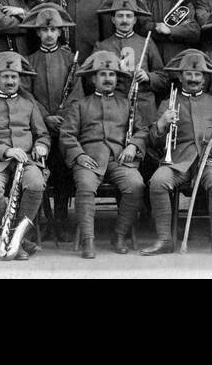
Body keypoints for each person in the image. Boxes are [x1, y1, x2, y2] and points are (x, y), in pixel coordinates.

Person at [143, 49, 212, 256]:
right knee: (158, 182)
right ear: (180, 76)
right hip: (178, 160)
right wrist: (160, 124)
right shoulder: (167, 103)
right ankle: (164, 240)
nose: (194, 79)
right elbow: (154, 142)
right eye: (189, 74)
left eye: (198, 75)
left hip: (209, 159)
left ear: (204, 79)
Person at [58, 50, 148, 258]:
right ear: (93, 78)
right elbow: (67, 134)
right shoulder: (80, 105)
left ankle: (119, 235)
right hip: (88, 159)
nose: (108, 79)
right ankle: (88, 240)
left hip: (119, 158)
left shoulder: (126, 104)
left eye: (112, 75)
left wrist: (133, 146)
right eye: (103, 74)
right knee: (86, 187)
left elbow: (142, 130)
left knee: (136, 185)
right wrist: (79, 155)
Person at [0, 51, 50, 261]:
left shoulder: (29, 105)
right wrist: (5, 150)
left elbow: (43, 134)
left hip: (26, 162)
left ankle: (14, 239)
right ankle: (18, 242)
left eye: (14, 77)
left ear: (20, 80)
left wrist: (41, 146)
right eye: (6, 77)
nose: (10, 81)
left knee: (35, 184)